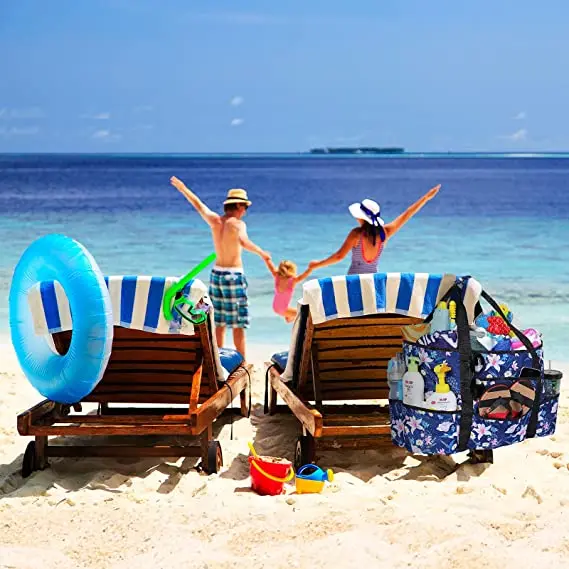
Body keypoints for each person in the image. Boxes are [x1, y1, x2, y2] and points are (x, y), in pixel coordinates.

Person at [170, 176, 271, 360]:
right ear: (239, 206)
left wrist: (183, 188)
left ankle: (219, 361)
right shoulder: (238, 224)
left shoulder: (215, 221)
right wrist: (261, 253)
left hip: (216, 275)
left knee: (219, 322)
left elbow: (199, 205)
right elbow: (244, 241)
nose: (245, 211)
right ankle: (242, 362)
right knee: (238, 324)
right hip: (233, 276)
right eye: (245, 207)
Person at [308, 184, 441, 275]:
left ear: (361, 216)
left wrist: (317, 264)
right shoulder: (384, 233)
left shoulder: (356, 234)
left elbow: (339, 256)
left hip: (354, 283)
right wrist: (426, 198)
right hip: (373, 283)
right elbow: (407, 214)